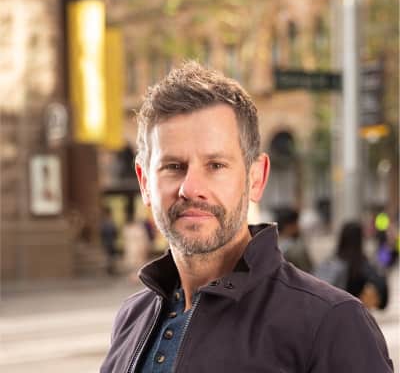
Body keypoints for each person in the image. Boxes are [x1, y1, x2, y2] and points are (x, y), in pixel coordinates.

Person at [100, 62, 393, 372]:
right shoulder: (132, 318)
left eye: (216, 166)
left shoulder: (332, 322)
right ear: (145, 182)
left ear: (256, 179)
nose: (191, 188)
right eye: (173, 167)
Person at [314, 221, 388, 310]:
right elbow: (380, 286)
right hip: (354, 313)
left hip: (332, 310)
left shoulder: (331, 262)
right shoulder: (361, 264)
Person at [275, 207, 313, 272]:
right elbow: (308, 271)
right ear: (289, 226)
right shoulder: (297, 249)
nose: (298, 227)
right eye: (296, 223)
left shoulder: (271, 244)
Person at [100, 206, 119, 276]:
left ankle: (111, 269)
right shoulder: (109, 222)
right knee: (110, 256)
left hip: (109, 241)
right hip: (109, 241)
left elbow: (114, 232)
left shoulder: (107, 222)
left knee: (110, 256)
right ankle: (110, 269)